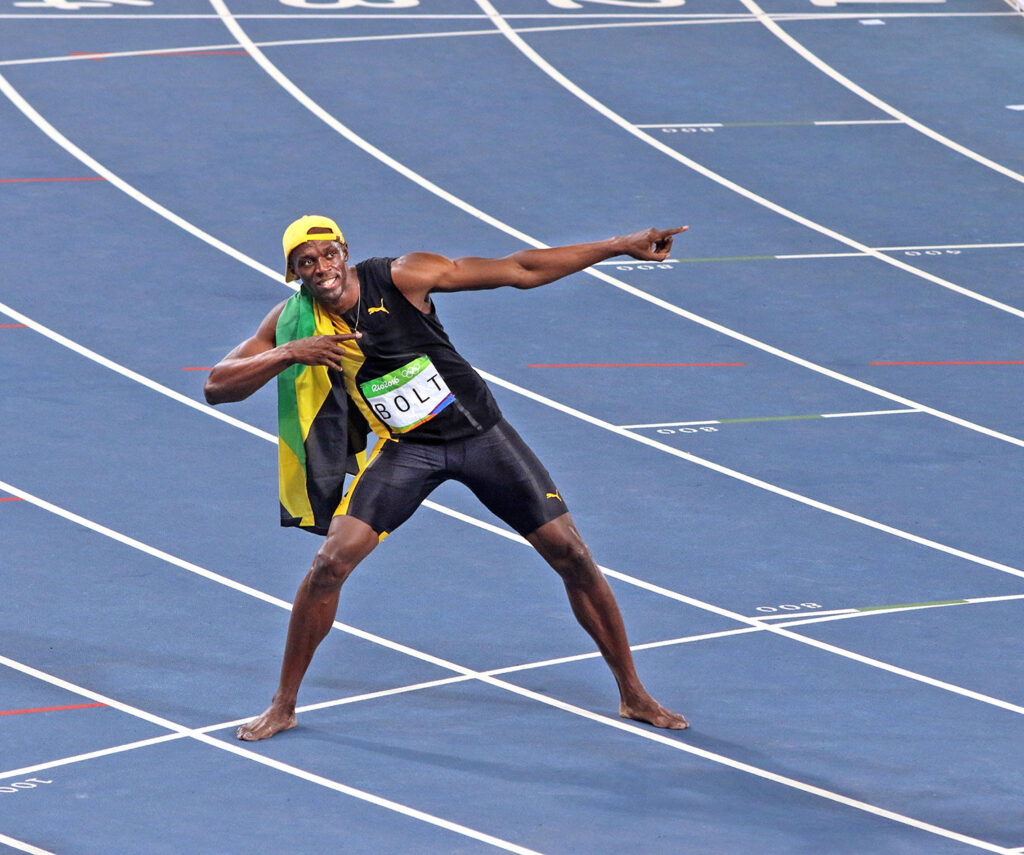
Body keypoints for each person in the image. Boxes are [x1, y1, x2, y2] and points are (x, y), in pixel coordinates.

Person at [205, 215, 689, 741]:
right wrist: (289, 353)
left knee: (571, 553)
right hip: (406, 450)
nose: (321, 268)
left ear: (344, 252)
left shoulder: (403, 276)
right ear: (292, 273)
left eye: (328, 255)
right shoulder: (294, 320)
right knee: (329, 564)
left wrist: (620, 245)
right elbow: (216, 386)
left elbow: (519, 270)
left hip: (480, 436)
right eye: (306, 262)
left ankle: (633, 693)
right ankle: (283, 705)